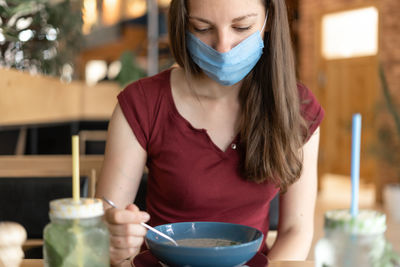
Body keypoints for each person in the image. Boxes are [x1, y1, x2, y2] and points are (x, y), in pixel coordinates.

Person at [95, 0, 324, 265]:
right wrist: (111, 236)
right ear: (183, 24)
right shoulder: (143, 103)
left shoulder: (297, 108)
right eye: (202, 28)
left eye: (242, 26)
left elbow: (296, 230)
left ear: (269, 19)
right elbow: (106, 221)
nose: (223, 47)